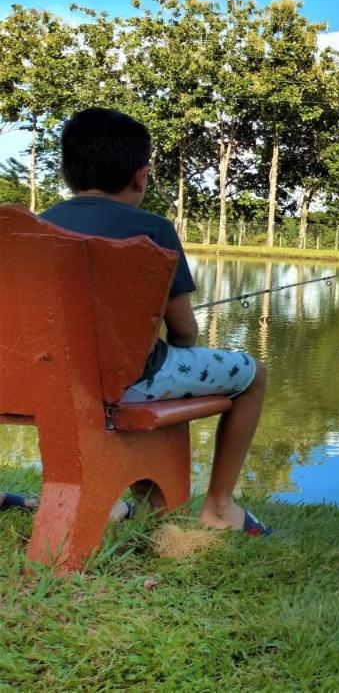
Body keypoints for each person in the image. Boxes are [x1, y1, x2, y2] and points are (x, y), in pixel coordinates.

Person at [8, 108, 271, 536]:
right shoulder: (154, 231)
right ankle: (220, 506)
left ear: (67, 172)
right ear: (140, 176)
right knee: (254, 375)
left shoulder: (32, 228)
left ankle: (112, 503)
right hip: (130, 379)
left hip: (41, 380)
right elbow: (183, 330)